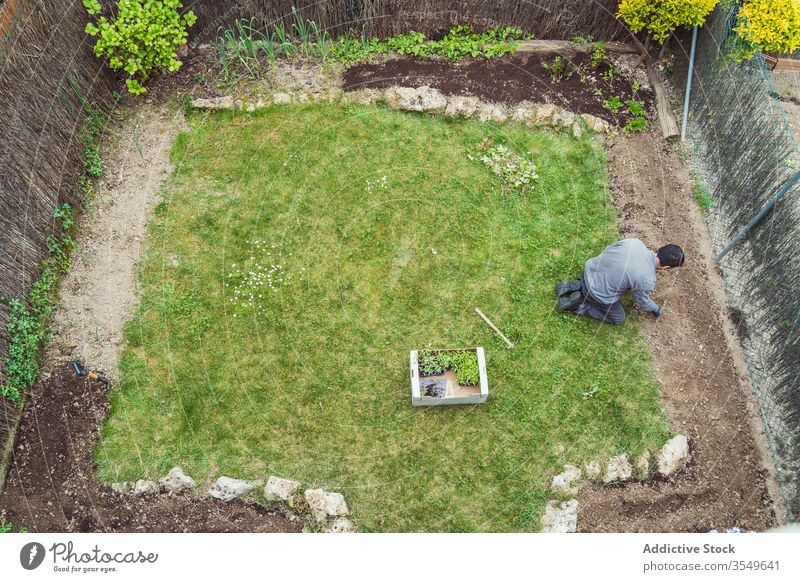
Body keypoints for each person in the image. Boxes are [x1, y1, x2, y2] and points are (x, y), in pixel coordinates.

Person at [554, 238, 685, 324]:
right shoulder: (647, 279)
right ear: (666, 267)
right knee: (618, 318)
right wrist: (656, 309)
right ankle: (579, 305)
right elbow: (641, 302)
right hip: (598, 294)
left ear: (660, 249)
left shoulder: (634, 242)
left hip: (590, 269)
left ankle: (578, 285)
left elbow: (609, 249)